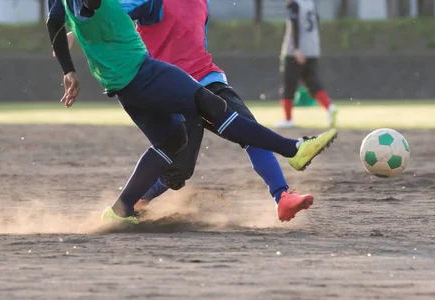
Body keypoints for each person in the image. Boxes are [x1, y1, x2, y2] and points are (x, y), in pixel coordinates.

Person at [46, 0, 337, 224]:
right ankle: (133, 203)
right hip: (165, 87)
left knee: (246, 128)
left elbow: (196, 40)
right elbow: (105, 14)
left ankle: (283, 194)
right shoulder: (151, 2)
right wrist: (74, 31)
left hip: (205, 79)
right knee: (178, 170)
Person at [276, 0, 337, 129]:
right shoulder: (310, 3)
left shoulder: (294, 4)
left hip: (296, 52)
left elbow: (294, 25)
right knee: (312, 83)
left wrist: (297, 48)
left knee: (289, 85)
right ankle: (330, 107)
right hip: (313, 49)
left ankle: (288, 119)